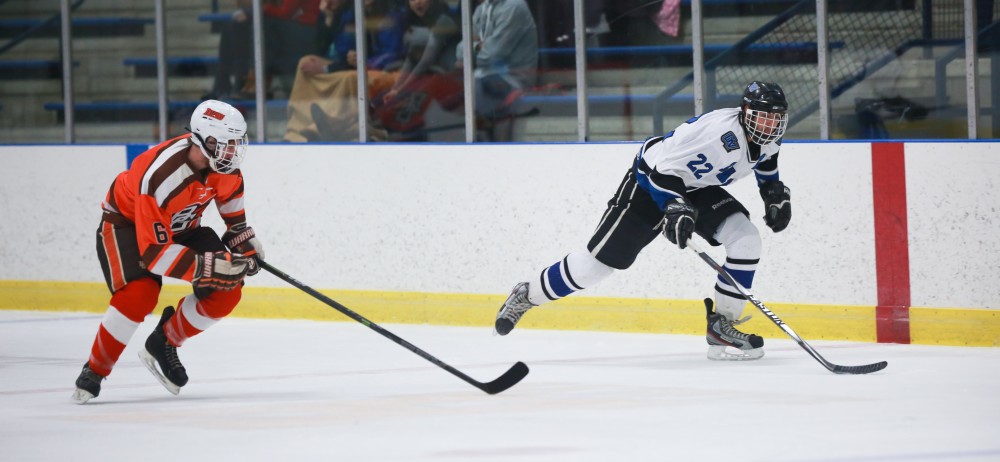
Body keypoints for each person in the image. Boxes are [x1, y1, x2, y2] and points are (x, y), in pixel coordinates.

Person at [493, 81, 791, 361]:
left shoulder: (769, 139)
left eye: (775, 120)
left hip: (697, 187)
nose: (770, 126)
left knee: (746, 239)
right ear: (745, 113)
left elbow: (765, 163)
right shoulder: (716, 134)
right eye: (763, 117)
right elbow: (658, 170)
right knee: (593, 267)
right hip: (650, 183)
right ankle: (528, 294)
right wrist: (674, 205)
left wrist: (773, 193)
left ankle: (721, 328)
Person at [72, 100, 265, 403]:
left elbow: (233, 215)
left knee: (227, 290)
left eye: (236, 144)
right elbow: (155, 254)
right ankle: (95, 369)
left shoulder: (224, 168)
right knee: (140, 294)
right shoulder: (162, 176)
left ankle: (165, 341)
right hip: (127, 226)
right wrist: (210, 265)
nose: (232, 152)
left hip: (183, 227)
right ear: (205, 140)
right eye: (226, 144)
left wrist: (244, 243)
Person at [283, 0, 407, 142]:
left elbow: (391, 54)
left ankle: (323, 126)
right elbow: (336, 49)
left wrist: (331, 67)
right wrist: (328, 20)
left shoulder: (391, 15)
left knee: (350, 77)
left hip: (384, 69)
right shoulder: (352, 13)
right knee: (306, 61)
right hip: (355, 65)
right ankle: (296, 129)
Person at [374, 0, 463, 140]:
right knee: (385, 98)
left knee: (411, 98)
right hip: (432, 76)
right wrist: (395, 89)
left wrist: (400, 89)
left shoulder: (444, 21)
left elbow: (426, 61)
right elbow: (412, 59)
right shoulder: (417, 24)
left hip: (453, 80)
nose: (417, 2)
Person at [456, 0, 538, 140]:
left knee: (470, 92)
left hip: (512, 80)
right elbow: (460, 50)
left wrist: (473, 49)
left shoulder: (514, 7)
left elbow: (493, 54)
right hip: (483, 77)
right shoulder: (482, 9)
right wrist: (479, 47)